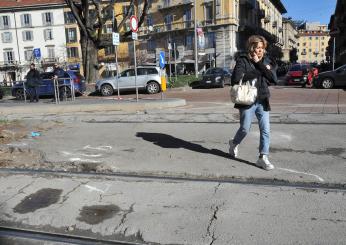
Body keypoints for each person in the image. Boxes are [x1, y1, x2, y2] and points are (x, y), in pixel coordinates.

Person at [229, 35, 277, 170]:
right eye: (257, 48)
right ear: (251, 48)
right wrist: (260, 68)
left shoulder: (267, 60)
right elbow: (237, 78)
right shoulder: (242, 60)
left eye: (262, 48)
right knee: (245, 128)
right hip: (247, 100)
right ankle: (233, 143)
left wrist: (261, 65)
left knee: (266, 130)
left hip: (262, 100)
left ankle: (263, 157)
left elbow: (273, 79)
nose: (260, 51)